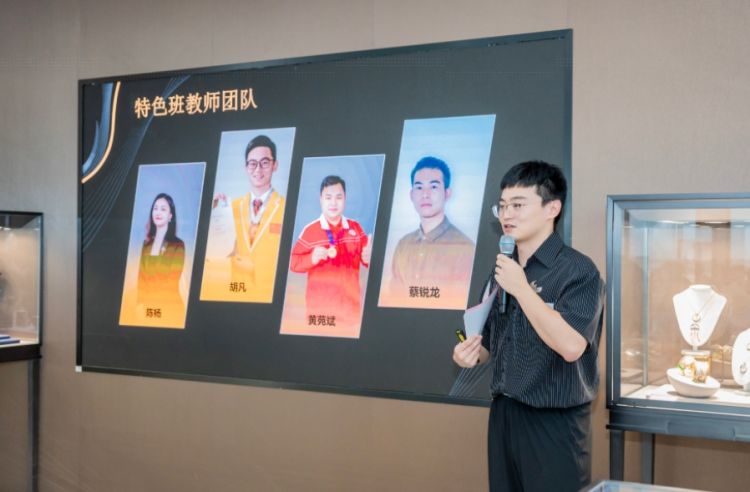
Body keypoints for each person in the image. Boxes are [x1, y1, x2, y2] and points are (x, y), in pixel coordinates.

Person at [452, 161, 604, 492]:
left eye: (518, 205)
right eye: (502, 206)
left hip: (554, 422)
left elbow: (571, 346)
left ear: (552, 208)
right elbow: (488, 343)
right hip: (504, 414)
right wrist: (470, 354)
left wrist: (522, 289)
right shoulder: (502, 270)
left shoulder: (578, 271)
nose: (507, 215)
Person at [204, 134, 285, 302]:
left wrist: (255, 268)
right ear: (246, 167)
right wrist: (210, 213)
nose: (258, 170)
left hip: (269, 296)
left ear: (275, 165)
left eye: (264, 162)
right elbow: (214, 252)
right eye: (252, 163)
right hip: (237, 294)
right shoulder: (231, 208)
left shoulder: (286, 207)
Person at [290, 175, 372, 330]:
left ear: (345, 199)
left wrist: (369, 258)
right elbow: (293, 263)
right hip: (321, 313)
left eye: (338, 197)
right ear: (321, 199)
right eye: (328, 197)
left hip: (350, 311)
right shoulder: (310, 231)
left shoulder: (355, 228)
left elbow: (368, 261)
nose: (333, 203)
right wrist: (311, 258)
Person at [388, 156, 474, 303]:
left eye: (433, 187)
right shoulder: (403, 245)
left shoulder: (465, 248)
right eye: (419, 187)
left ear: (447, 193)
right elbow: (393, 298)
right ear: (411, 195)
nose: (425, 194)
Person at [136, 193, 185, 320]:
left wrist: (153, 307)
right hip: (147, 308)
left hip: (169, 307)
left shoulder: (178, 245)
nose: (158, 212)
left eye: (163, 209)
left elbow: (172, 281)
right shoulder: (146, 244)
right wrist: (140, 303)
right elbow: (141, 278)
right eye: (155, 208)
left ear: (170, 216)